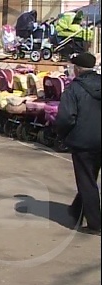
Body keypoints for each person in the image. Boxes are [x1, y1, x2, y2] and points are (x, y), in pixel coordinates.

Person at [55, 52, 101, 236]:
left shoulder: (74, 90)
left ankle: (95, 224)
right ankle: (76, 210)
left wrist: (62, 135)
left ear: (77, 69)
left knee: (87, 181)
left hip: (84, 143)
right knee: (89, 179)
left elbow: (66, 118)